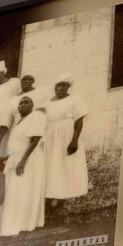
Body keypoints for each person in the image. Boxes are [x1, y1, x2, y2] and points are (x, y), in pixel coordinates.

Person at [0, 94, 47, 237]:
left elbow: (35, 140)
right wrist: (7, 158)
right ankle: (12, 226)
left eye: (27, 102)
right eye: (21, 103)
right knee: (14, 193)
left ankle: (18, 226)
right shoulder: (18, 120)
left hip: (28, 159)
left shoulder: (37, 116)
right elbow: (17, 143)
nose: (23, 105)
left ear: (32, 105)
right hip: (15, 159)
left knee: (19, 191)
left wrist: (23, 161)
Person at [43, 72, 91, 202]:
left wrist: (74, 140)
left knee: (64, 163)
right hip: (50, 136)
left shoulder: (75, 99)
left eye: (63, 85)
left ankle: (62, 196)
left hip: (66, 135)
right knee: (51, 164)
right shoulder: (47, 103)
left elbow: (79, 120)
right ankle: (51, 194)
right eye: (57, 85)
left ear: (68, 87)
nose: (59, 88)